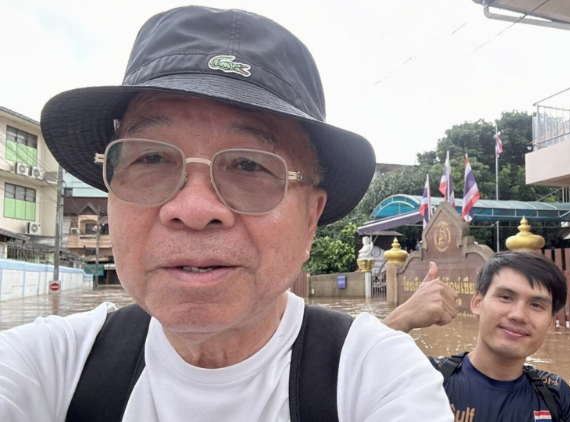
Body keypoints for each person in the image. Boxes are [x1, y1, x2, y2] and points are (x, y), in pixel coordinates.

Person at [0, 6, 453, 422]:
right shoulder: (49, 366)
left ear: (311, 218)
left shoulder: (378, 377)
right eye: (152, 159)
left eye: (250, 165)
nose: (193, 210)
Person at [385, 252, 570, 422]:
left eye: (536, 305)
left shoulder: (557, 398)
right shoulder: (428, 378)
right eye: (506, 297)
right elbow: (356, 383)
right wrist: (401, 318)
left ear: (550, 323)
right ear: (477, 303)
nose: (518, 315)